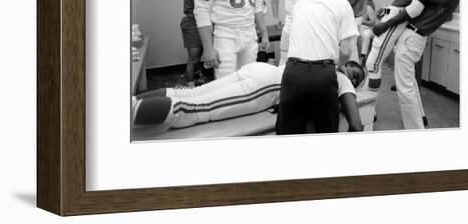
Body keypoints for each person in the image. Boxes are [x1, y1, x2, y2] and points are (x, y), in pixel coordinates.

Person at [132, 61, 365, 132]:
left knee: (190, 93)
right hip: (268, 85)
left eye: (357, 80)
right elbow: (356, 122)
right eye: (355, 74)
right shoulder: (339, 79)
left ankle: (131, 102)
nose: (353, 80)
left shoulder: (319, 56)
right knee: (192, 108)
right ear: (346, 66)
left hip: (260, 70)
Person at [373, 0, 459, 129]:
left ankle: (415, 130)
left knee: (404, 88)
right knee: (410, 81)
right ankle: (421, 116)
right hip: (416, 37)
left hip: (413, 36)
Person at [276, 0, 358, 134]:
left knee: (287, 138)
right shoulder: (342, 4)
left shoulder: (301, 3)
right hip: (322, 76)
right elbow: (346, 50)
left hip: (292, 74)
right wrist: (340, 64)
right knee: (324, 137)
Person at [364, 0, 454, 92]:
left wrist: (386, 24)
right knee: (374, 61)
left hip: (397, 17)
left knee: (373, 63)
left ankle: (368, 104)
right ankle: (368, 105)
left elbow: (416, 7)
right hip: (393, 14)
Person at [180, 0, 212, 87]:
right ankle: (190, 87)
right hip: (193, 24)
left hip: (203, 24)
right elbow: (203, 7)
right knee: (193, 59)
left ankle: (198, 80)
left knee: (202, 58)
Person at [358, 0, 376, 67]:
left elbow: (372, 22)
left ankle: (363, 56)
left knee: (366, 35)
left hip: (367, 29)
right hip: (357, 28)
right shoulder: (354, 8)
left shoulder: (368, 8)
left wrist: (362, 22)